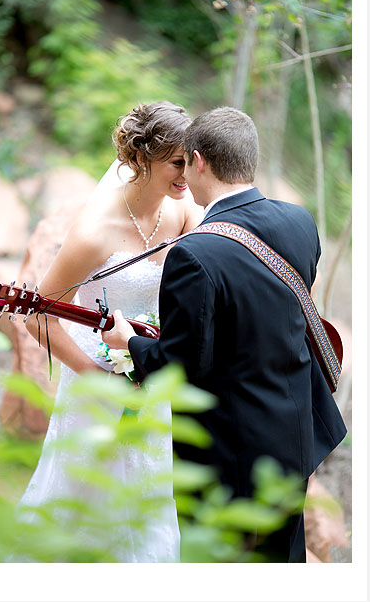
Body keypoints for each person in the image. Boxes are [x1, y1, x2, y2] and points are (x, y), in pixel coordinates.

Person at [102, 106, 347, 562]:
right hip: (293, 436)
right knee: (283, 563)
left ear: (198, 160)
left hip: (229, 454)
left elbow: (181, 366)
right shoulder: (300, 222)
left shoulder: (194, 254)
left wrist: (128, 343)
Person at [18, 101, 202, 562]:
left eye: (190, 160)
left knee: (148, 496)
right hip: (95, 378)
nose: (187, 174)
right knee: (82, 499)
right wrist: (96, 375)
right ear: (141, 159)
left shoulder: (180, 213)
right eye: (176, 163)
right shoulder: (94, 232)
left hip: (151, 373)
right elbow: (37, 313)